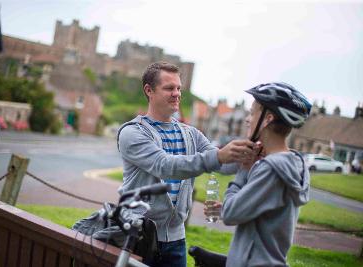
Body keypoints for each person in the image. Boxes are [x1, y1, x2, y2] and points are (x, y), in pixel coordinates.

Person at [117, 62, 260, 267]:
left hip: (176, 241)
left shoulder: (191, 134)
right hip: (135, 237)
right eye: (169, 88)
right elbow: (165, 166)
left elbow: (222, 165)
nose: (176, 94)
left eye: (178, 88)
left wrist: (248, 154)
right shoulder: (132, 132)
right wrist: (219, 156)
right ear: (149, 90)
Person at [208, 82, 312, 267]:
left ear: (268, 119)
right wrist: (235, 204)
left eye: (252, 113)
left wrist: (244, 170)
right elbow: (266, 216)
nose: (248, 119)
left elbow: (232, 214)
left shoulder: (271, 169)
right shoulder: (292, 164)